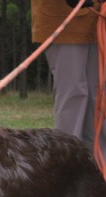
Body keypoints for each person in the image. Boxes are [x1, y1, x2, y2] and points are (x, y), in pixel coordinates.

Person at [31, 0, 102, 150]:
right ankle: (69, 159)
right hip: (63, 19)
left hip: (98, 19)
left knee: (99, 96)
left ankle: (99, 162)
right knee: (73, 94)